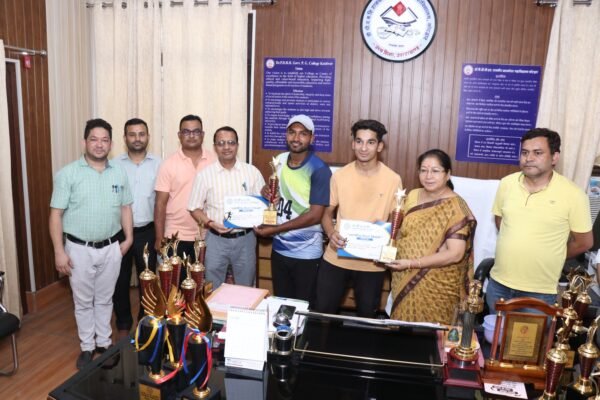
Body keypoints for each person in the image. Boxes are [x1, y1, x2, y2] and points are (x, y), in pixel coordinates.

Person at [49, 118, 133, 369]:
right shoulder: (67, 174)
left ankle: (104, 344)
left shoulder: (119, 172)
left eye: (104, 140)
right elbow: (56, 214)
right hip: (78, 249)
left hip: (111, 248)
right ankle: (87, 346)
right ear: (84, 142)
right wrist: (59, 251)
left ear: (111, 144)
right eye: (94, 139)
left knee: (105, 299)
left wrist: (129, 238)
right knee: (83, 301)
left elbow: (126, 207)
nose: (99, 144)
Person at [487, 128, 593, 314]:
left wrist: (552, 254)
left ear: (554, 157)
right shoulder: (507, 184)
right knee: (493, 332)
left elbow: (584, 242)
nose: (529, 158)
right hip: (499, 284)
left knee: (530, 335)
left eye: (537, 153)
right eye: (524, 152)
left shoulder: (574, 195)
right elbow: (500, 221)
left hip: (539, 292)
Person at [315, 119, 402, 318]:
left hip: (372, 263)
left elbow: (396, 220)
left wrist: (388, 243)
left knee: (367, 319)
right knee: (322, 315)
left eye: (370, 142)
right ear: (353, 143)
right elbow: (327, 213)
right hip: (337, 257)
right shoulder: (339, 176)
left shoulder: (393, 179)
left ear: (379, 146)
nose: (364, 148)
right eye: (359, 141)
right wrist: (331, 232)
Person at [386, 149, 476, 325]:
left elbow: (455, 254)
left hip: (437, 286)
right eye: (423, 170)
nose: (428, 176)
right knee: (402, 332)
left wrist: (412, 263)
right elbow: (400, 230)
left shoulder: (456, 208)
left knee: (432, 335)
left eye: (435, 171)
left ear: (447, 174)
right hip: (402, 275)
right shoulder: (413, 195)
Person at [254, 115, 331, 303]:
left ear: (312, 138)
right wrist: (266, 190)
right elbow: (276, 193)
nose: (296, 138)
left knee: (303, 308)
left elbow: (315, 216)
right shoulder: (279, 160)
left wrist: (276, 229)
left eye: (303, 134)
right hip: (280, 250)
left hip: (306, 253)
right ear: (286, 135)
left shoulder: (319, 169)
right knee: (282, 305)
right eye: (292, 132)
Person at [188, 126, 265, 288]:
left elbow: (263, 205)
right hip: (215, 239)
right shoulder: (205, 175)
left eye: (231, 142)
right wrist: (210, 223)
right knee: (212, 287)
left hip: (245, 239)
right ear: (215, 147)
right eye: (221, 143)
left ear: (237, 145)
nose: (226, 147)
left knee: (246, 288)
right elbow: (194, 208)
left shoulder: (252, 172)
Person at [111, 118, 161, 338]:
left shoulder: (159, 164)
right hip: (119, 232)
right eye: (132, 134)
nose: (137, 138)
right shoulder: (114, 165)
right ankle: (123, 324)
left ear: (147, 137)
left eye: (141, 134)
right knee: (119, 280)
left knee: (147, 280)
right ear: (125, 138)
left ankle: (145, 321)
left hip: (147, 231)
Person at [154, 115, 216, 264]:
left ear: (203, 134)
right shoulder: (168, 164)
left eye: (196, 131)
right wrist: (159, 237)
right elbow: (160, 204)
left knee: (203, 279)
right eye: (186, 132)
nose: (192, 136)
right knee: (174, 279)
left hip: (207, 236)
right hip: (175, 236)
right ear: (179, 135)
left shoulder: (215, 161)